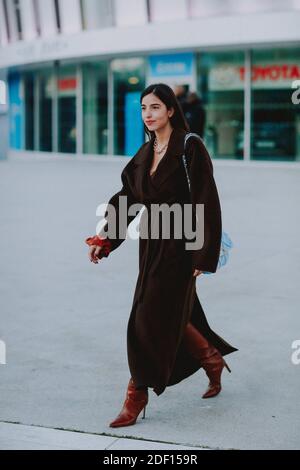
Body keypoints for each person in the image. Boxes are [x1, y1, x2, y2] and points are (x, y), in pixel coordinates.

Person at [85, 83, 238, 428]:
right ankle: (210, 359)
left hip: (182, 246)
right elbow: (127, 197)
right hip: (152, 243)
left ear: (171, 110)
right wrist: (106, 238)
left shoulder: (189, 147)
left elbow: (206, 201)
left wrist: (203, 254)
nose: (148, 115)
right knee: (172, 312)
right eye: (143, 108)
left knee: (145, 315)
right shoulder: (145, 152)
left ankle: (135, 395)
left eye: (155, 107)